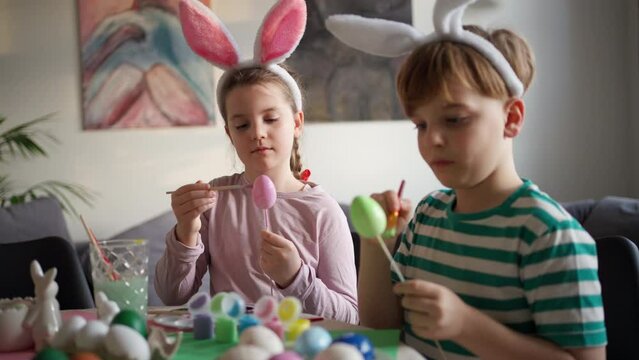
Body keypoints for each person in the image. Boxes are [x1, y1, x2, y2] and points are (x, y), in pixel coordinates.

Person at [327, 0, 606, 358]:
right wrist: (376, 244)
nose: (432, 140)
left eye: (455, 119)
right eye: (421, 125)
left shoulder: (549, 235)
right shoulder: (427, 217)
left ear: (512, 118)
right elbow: (383, 331)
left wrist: (467, 327)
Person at [155, 0, 358, 324]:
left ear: (297, 123)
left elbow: (350, 316)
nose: (257, 133)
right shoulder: (214, 202)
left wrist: (295, 278)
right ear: (229, 133)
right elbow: (172, 295)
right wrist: (186, 229)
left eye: (271, 118)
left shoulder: (322, 211)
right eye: (242, 125)